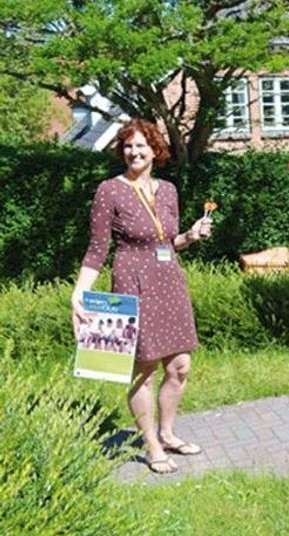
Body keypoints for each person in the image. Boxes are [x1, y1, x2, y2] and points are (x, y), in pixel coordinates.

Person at [71, 119, 212, 474]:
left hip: (169, 280)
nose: (135, 152)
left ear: (154, 151)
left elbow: (169, 242)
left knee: (180, 366)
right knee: (144, 371)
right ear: (123, 151)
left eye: (141, 146)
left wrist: (191, 236)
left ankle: (166, 433)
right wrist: (79, 295)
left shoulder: (168, 190)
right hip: (132, 281)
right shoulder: (110, 190)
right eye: (129, 146)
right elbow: (97, 249)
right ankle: (151, 446)